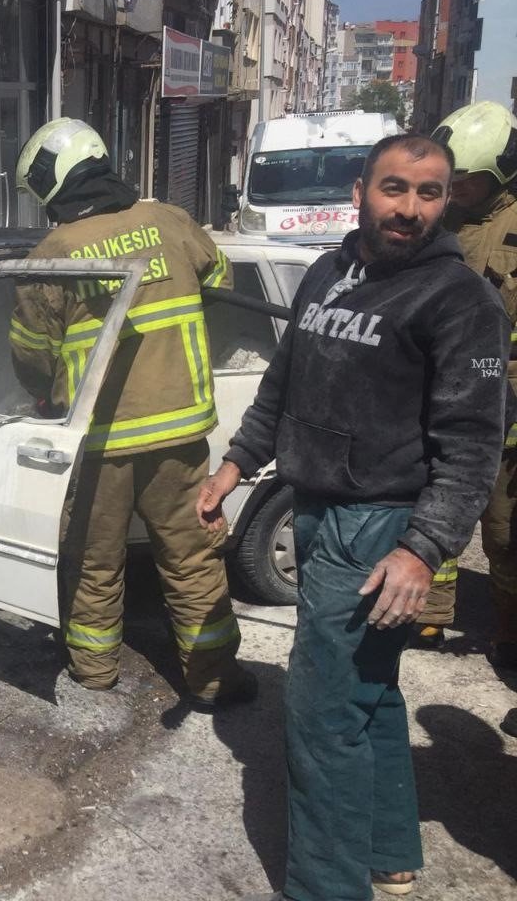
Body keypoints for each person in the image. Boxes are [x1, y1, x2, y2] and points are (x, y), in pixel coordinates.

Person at [197, 134, 509, 901]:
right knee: (370, 691)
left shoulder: (459, 300)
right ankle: (387, 849)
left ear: (445, 202)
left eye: (429, 193)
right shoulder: (327, 274)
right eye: (395, 188)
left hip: (377, 527)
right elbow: (283, 383)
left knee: (320, 716)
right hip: (315, 509)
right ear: (361, 192)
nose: (410, 208)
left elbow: (472, 445)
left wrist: (423, 549)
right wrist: (235, 465)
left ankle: (326, 887)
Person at [10, 117, 257, 708]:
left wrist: (43, 394)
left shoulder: (52, 253)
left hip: (100, 443)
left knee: (94, 560)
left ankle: (94, 670)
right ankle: (214, 680)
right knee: (193, 558)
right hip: (179, 431)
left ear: (55, 185)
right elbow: (220, 285)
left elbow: (32, 353)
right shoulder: (170, 221)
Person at [412, 101, 517, 667]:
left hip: (506, 403)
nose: (456, 190)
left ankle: (508, 633)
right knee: (436, 504)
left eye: (468, 180)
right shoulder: (441, 222)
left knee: (503, 531)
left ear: (501, 172)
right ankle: (429, 615)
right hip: (443, 391)